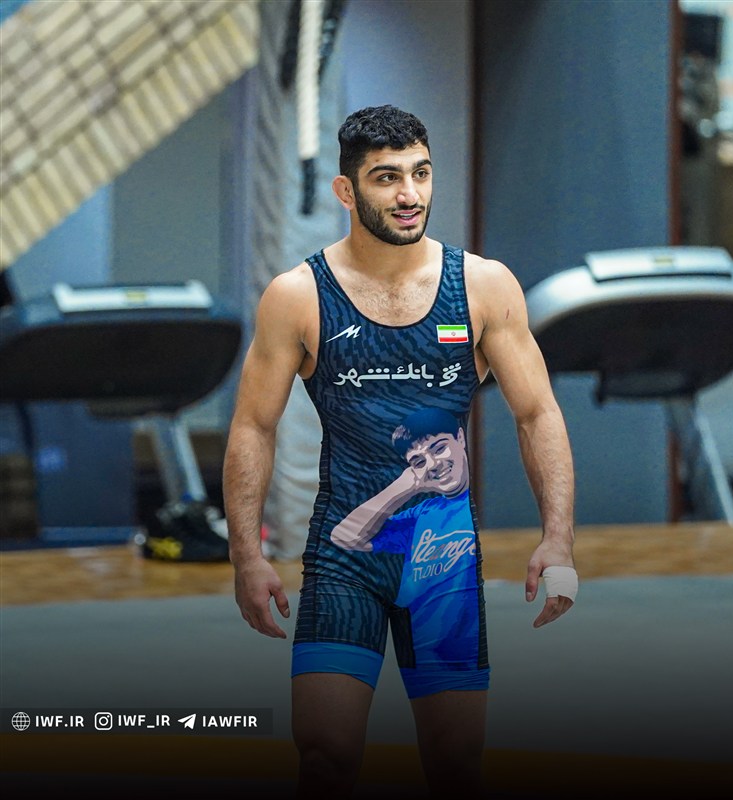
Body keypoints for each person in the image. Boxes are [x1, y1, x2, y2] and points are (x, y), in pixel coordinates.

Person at [223, 105, 577, 798]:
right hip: (344, 560)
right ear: (346, 191)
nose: (410, 194)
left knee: (455, 764)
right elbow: (252, 427)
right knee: (324, 755)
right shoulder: (298, 296)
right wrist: (246, 555)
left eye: (420, 173)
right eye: (386, 178)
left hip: (443, 559)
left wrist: (557, 537)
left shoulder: (481, 285)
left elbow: (537, 412)